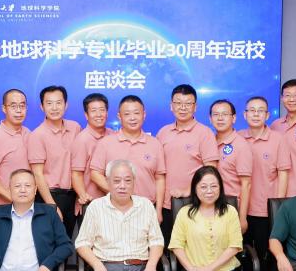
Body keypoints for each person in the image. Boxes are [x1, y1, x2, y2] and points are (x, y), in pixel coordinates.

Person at [76, 159, 166, 271]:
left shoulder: (146, 205)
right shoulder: (96, 207)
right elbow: (82, 244)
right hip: (106, 269)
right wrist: (97, 266)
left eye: (127, 180)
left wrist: (151, 267)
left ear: (134, 182)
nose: (122, 186)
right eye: (117, 181)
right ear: (108, 182)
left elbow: (156, 241)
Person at [169, 166, 248, 271]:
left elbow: (235, 245)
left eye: (214, 186)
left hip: (224, 270)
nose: (209, 191)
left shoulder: (230, 212)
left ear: (220, 188)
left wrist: (209, 269)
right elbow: (176, 246)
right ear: (195, 189)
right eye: (203, 187)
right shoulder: (184, 213)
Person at [157, 84, 219, 245]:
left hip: (195, 203)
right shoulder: (163, 132)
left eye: (188, 103)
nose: (182, 107)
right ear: (171, 106)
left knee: (194, 248)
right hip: (166, 204)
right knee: (168, 248)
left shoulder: (204, 133)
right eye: (178, 103)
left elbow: (211, 170)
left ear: (195, 107)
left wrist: (187, 191)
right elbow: (158, 171)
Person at [90, 95, 166, 223]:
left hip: (147, 209)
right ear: (119, 116)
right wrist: (118, 192)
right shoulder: (106, 143)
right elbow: (95, 174)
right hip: (113, 210)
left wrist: (158, 210)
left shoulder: (155, 144)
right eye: (127, 114)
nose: (132, 118)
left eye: (136, 113)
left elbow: (160, 179)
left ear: (144, 115)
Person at [240, 96, 290, 264]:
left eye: (260, 111)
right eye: (252, 110)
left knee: (265, 255)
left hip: (265, 209)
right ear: (245, 115)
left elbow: (283, 174)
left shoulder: (278, 139)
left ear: (267, 115)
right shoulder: (238, 138)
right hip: (241, 208)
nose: (256, 114)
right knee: (242, 254)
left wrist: (279, 207)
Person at [27, 85, 82, 238]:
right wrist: (52, 206)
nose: (54, 108)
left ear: (66, 105)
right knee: (50, 243)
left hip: (72, 196)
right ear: (42, 106)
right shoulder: (37, 135)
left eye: (58, 103)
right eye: (49, 103)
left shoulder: (75, 128)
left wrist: (79, 195)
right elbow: (37, 174)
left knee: (67, 242)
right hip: (49, 195)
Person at [0, 89, 31, 205]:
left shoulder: (28, 133)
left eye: (22, 106)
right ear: (4, 108)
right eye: (13, 106)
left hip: (28, 205)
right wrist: (13, 199)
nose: (18, 110)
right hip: (7, 206)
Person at [209, 99, 252, 233]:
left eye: (225, 114)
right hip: (209, 206)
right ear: (210, 119)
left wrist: (242, 218)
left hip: (231, 207)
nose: (220, 118)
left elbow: (246, 184)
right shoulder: (208, 141)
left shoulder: (241, 145)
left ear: (233, 118)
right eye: (216, 114)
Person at [71, 93, 113, 219]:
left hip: (113, 203)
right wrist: (83, 195)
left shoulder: (113, 135)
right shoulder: (82, 140)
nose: (99, 114)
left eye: (102, 110)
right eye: (94, 111)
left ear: (107, 112)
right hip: (91, 204)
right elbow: (76, 174)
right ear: (86, 115)